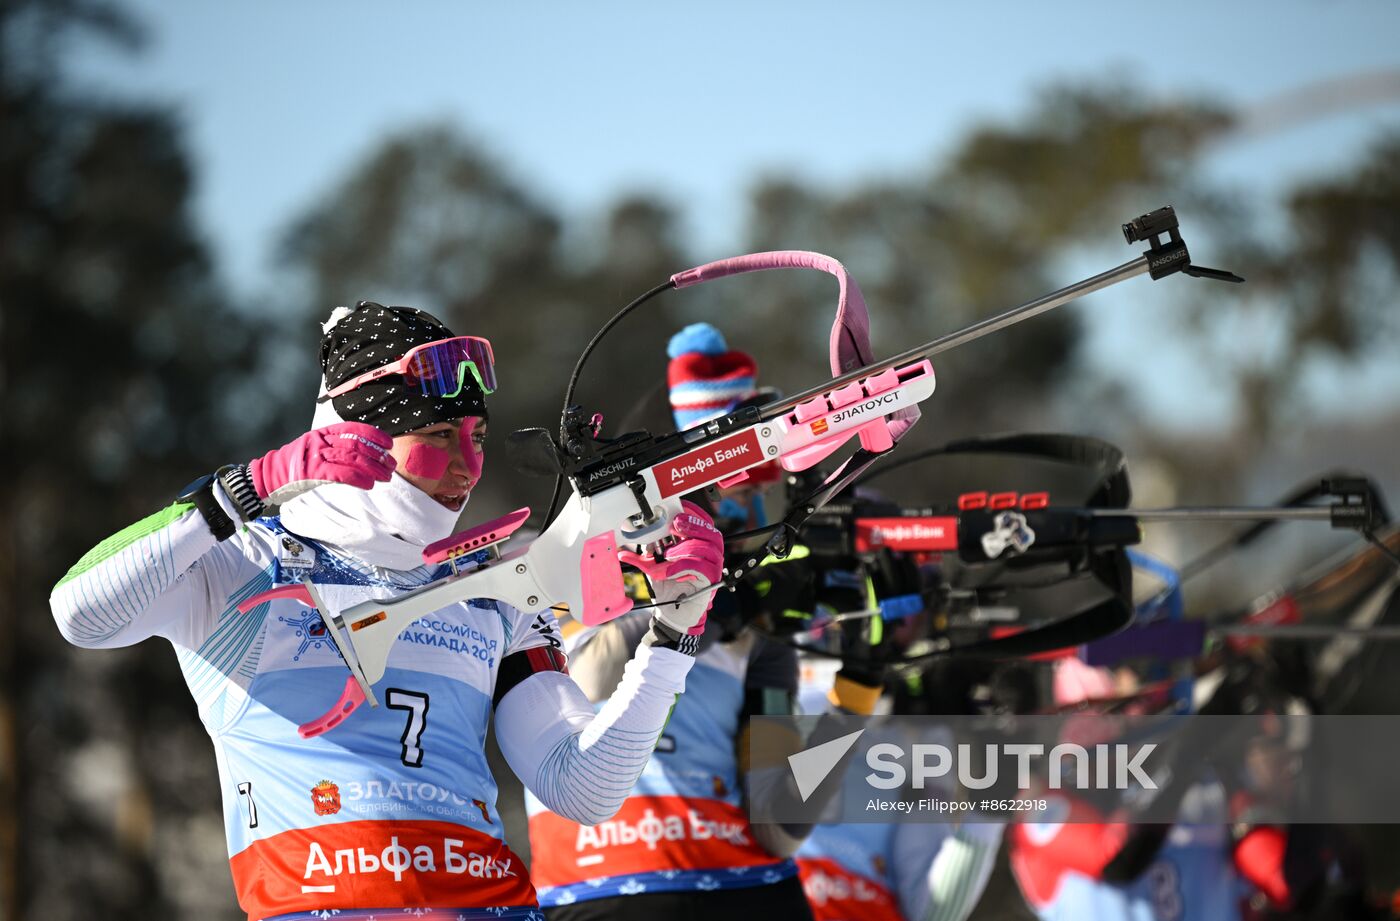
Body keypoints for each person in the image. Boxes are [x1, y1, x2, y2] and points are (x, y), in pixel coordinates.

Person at [50, 301, 724, 921]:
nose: (467, 467)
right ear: (358, 436)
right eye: (437, 434)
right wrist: (240, 493)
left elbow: (579, 785)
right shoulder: (243, 562)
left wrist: (674, 638)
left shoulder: (492, 580)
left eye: (478, 437)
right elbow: (80, 612)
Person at [526, 324, 819, 921]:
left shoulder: (758, 631)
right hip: (599, 891)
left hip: (743, 890)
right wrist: (683, 609)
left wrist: (860, 701)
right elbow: (586, 687)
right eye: (739, 485)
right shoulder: (575, 561)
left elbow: (779, 825)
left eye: (765, 488)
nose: (753, 507)